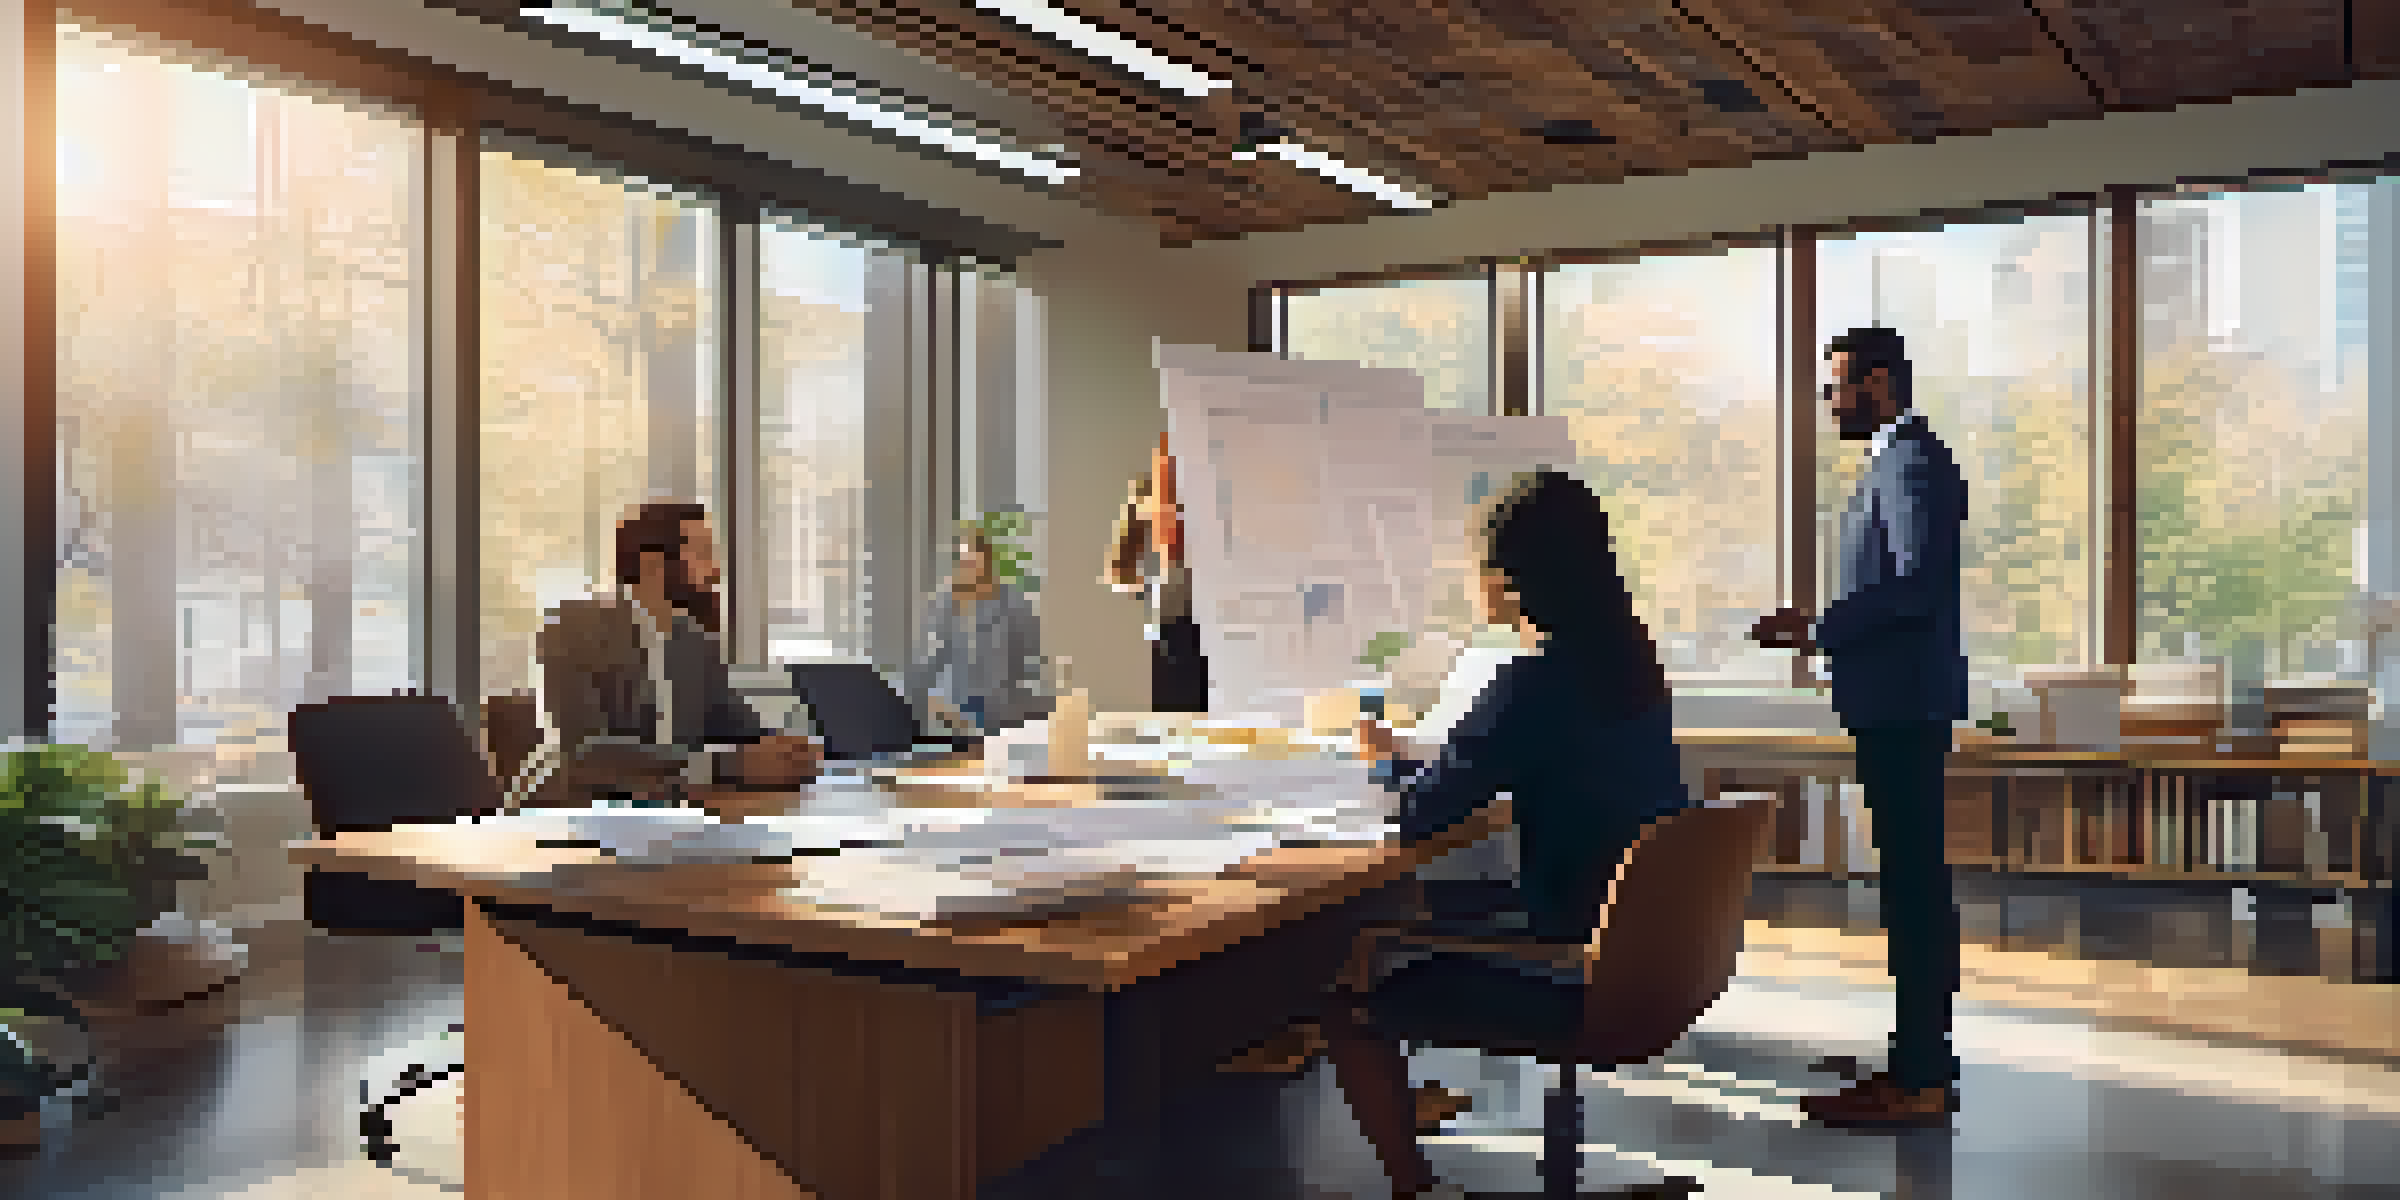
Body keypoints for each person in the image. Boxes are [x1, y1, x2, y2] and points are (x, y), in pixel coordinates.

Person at [1314, 469, 1694, 1200]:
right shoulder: (1633, 665)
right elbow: (1496, 766)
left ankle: (1415, 1188)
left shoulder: (1532, 682)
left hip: (1576, 964)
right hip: (1657, 960)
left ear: (1512, 578)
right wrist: (1421, 766)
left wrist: (1383, 764)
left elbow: (1423, 815)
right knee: (1419, 918)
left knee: (1347, 980)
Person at [1752, 325, 1968, 1128]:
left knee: (1913, 892)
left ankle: (1920, 1078)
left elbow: (1913, 589)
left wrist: (1816, 629)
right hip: (1898, 702)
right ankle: (1919, 1059)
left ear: (1878, 383)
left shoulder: (1909, 461)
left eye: (1836, 384)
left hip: (1902, 704)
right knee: (1912, 887)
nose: (1830, 400)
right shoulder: (1899, 459)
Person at [508, 500, 823, 809]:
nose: (716, 571)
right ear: (653, 565)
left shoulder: (694, 640)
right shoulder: (573, 628)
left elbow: (735, 725)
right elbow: (585, 752)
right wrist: (723, 764)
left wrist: (785, 750)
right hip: (571, 812)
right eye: (702, 554)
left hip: (675, 812)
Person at [905, 522, 1052, 735]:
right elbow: (933, 653)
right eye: (964, 560)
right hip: (954, 705)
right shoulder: (947, 601)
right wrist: (928, 698)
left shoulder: (1012, 600)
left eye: (974, 559)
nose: (969, 566)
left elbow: (1030, 651)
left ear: (987, 561)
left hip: (997, 705)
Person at [1105, 433, 1207, 712]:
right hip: (1175, 620)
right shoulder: (1151, 493)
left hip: (1199, 616)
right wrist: (1152, 589)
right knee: (1180, 709)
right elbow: (1120, 568)